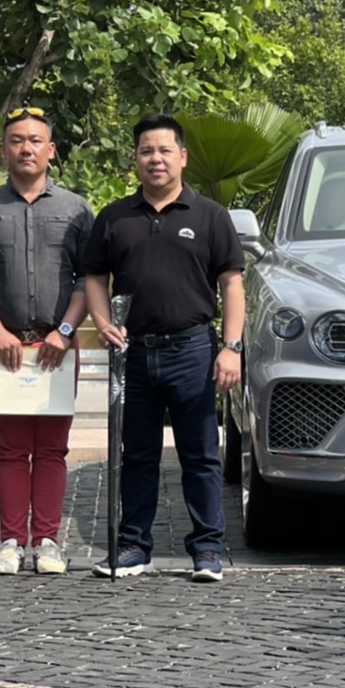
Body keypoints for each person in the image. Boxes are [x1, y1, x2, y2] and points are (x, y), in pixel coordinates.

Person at [84, 113, 245, 583]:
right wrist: (102, 321)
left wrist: (231, 347)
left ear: (183, 157)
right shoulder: (115, 217)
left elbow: (232, 284)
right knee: (137, 454)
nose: (155, 159)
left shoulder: (210, 216)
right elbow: (94, 277)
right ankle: (134, 546)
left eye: (164, 150)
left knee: (201, 454)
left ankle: (208, 549)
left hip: (193, 350)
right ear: (135, 158)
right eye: (146, 151)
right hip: (133, 353)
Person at [0, 106, 94, 576]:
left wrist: (66, 331)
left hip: (57, 347)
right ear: (3, 150)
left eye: (35, 141)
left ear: (51, 150)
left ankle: (48, 542)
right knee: (11, 449)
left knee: (53, 448)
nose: (26, 148)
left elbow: (89, 278)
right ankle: (11, 542)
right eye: (16, 140)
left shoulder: (76, 209)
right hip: (5, 348)